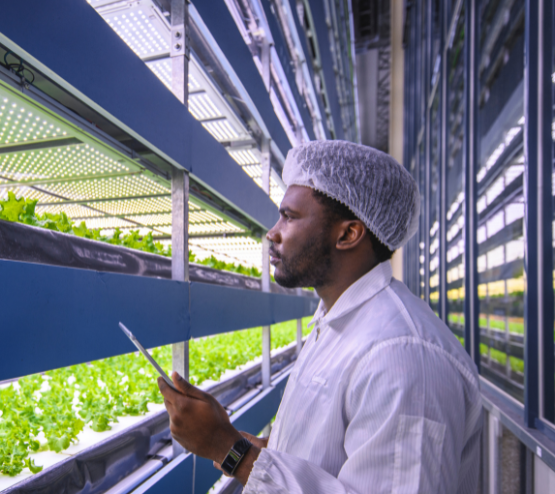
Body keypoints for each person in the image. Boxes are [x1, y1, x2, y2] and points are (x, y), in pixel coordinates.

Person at [158, 141, 481, 493]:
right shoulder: (337, 323)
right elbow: (328, 463)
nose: (273, 232)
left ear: (348, 234)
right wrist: (238, 443)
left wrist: (229, 450)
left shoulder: (402, 357)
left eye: (290, 216)